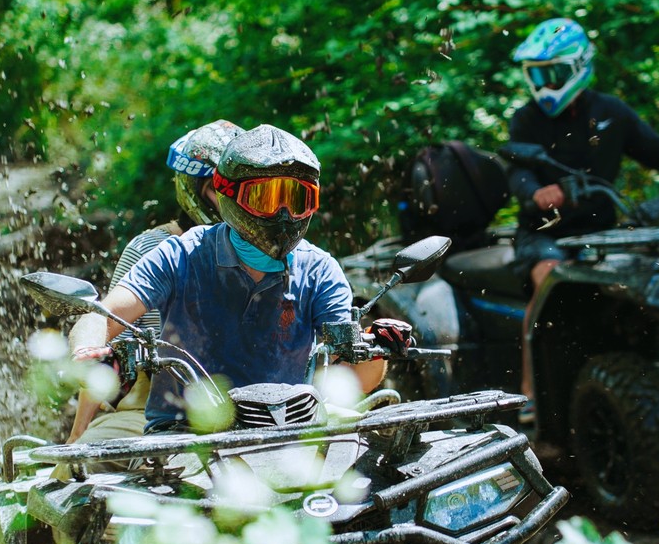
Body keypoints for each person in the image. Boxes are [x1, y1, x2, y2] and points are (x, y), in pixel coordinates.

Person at [70, 123, 410, 434]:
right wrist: (89, 351)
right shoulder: (180, 253)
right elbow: (100, 316)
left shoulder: (320, 270)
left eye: (296, 200)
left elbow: (353, 379)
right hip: (185, 435)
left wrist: (376, 346)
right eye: (264, 198)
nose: (282, 214)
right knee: (92, 472)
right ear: (227, 194)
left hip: (289, 434)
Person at [506, 18, 659, 421]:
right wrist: (535, 192)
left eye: (551, 73)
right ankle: (530, 391)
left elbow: (658, 151)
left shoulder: (611, 111)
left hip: (603, 232)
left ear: (577, 67)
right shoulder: (526, 119)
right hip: (544, 233)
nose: (543, 84)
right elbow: (517, 169)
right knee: (548, 276)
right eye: (536, 75)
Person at [65, 119, 243, 444]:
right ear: (194, 189)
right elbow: (107, 349)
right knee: (85, 460)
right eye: (220, 189)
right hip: (155, 407)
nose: (232, 199)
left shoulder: (269, 250)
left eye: (241, 188)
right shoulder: (150, 249)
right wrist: (77, 433)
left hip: (252, 403)